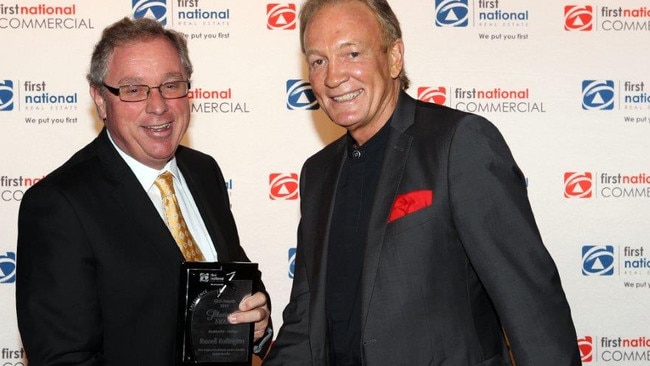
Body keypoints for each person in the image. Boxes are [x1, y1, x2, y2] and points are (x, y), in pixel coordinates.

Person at [263, 0, 581, 365]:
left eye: (352, 53)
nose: (333, 77)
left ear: (395, 56)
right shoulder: (317, 172)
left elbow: (531, 308)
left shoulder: (458, 143)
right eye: (318, 60)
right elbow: (306, 323)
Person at [16, 17, 271, 366]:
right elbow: (64, 358)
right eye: (134, 90)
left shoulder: (204, 172)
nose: (158, 106)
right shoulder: (59, 205)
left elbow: (237, 279)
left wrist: (256, 322)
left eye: (171, 85)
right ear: (101, 100)